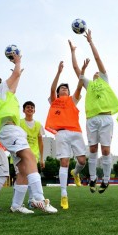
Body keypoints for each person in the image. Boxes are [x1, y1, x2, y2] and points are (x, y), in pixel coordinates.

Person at [0, 53, 57, 213]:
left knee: (22, 169)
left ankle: (16, 205)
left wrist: (19, 74)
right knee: (30, 157)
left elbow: (13, 87)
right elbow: (13, 76)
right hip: (10, 131)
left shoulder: (0, 96)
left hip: (9, 132)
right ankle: (39, 198)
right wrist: (17, 62)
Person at [69, 30, 118, 194]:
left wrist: (90, 42)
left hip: (106, 118)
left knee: (105, 150)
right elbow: (76, 68)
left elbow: (98, 59)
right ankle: (92, 178)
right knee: (92, 150)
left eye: (99, 72)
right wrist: (73, 52)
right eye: (95, 73)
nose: (97, 73)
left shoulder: (105, 79)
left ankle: (105, 180)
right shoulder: (88, 84)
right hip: (92, 118)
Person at [45, 61, 87, 209]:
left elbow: (80, 86)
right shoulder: (55, 101)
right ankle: (64, 194)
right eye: (62, 88)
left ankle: (75, 173)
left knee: (82, 161)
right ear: (58, 93)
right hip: (61, 133)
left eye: (66, 88)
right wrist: (58, 72)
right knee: (64, 162)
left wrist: (82, 71)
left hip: (76, 132)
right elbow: (51, 88)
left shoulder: (72, 100)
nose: (64, 89)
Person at [20, 101, 46, 208]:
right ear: (23, 110)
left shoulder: (38, 125)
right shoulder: (19, 122)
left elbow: (40, 143)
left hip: (33, 155)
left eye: (32, 107)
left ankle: (31, 201)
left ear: (34, 110)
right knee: (21, 177)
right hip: (21, 153)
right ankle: (18, 202)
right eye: (27, 107)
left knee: (32, 178)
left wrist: (42, 158)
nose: (30, 109)